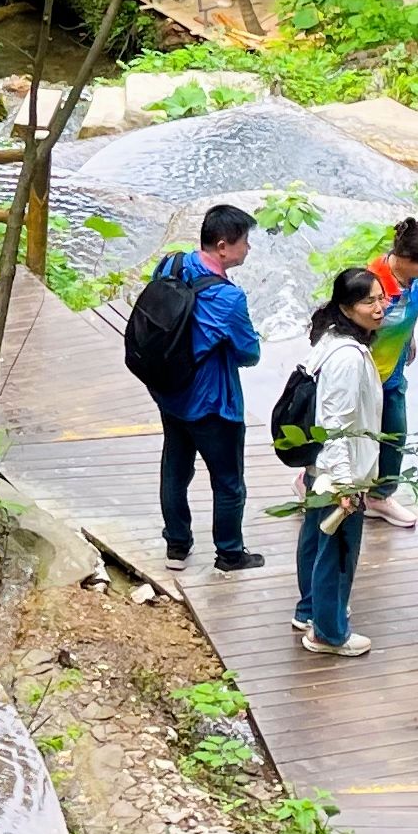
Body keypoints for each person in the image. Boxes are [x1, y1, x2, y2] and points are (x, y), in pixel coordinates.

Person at [132, 202, 264, 572]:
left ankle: (177, 545)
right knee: (228, 482)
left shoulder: (172, 264)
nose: (247, 249)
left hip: (169, 390)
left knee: (175, 467)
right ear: (223, 247)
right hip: (212, 402)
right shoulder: (227, 298)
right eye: (244, 242)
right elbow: (248, 352)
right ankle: (229, 553)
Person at [290, 266, 393, 657]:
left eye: (381, 297)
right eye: (369, 301)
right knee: (337, 551)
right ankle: (329, 634)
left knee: (315, 537)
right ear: (347, 308)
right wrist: (347, 485)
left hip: (323, 465)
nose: (379, 307)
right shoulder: (348, 357)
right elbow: (335, 423)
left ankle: (310, 610)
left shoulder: (329, 338)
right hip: (340, 469)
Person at [360, 214, 418, 534]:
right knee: (352, 437)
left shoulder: (410, 282)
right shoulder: (371, 284)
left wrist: (408, 337)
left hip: (393, 374)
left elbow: (407, 312)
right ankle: (311, 480)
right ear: (409, 259)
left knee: (394, 434)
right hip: (363, 379)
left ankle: (379, 496)